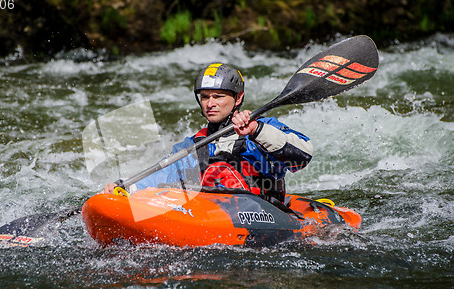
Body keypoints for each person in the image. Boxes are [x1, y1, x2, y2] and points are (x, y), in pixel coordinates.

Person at [101, 63, 313, 203]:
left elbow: (303, 156)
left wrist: (256, 130)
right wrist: (125, 188)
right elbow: (165, 173)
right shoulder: (195, 143)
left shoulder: (261, 128)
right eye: (205, 97)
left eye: (218, 96)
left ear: (238, 99)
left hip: (264, 211)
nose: (210, 104)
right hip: (214, 212)